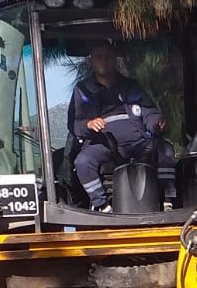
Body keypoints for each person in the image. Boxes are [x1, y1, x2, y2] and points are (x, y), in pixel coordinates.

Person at [68, 40, 178, 210]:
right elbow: (74, 125)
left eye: (108, 57)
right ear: (92, 61)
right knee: (83, 162)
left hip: (139, 142)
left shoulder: (131, 85)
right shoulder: (82, 90)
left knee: (166, 150)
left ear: (115, 60)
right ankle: (103, 206)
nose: (104, 61)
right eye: (99, 57)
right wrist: (89, 124)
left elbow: (149, 113)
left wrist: (157, 122)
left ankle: (168, 201)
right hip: (103, 144)